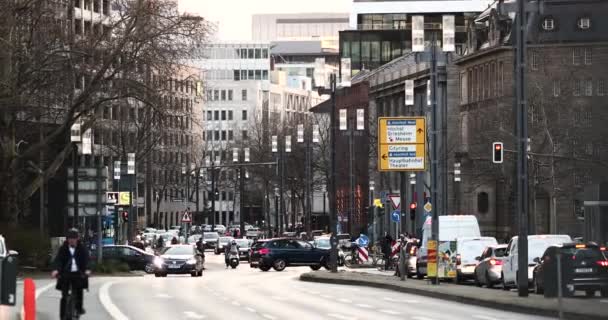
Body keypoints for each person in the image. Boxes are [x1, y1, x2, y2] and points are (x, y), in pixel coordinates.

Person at [51, 228, 90, 318]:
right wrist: (56, 270)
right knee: (64, 296)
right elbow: (58, 260)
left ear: (77, 239)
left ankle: (79, 308)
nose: (72, 240)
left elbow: (87, 260)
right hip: (66, 273)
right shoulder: (63, 248)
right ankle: (63, 315)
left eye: (74, 238)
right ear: (67, 239)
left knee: (79, 291)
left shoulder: (82, 249)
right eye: (70, 238)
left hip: (78, 273)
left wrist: (87, 269)